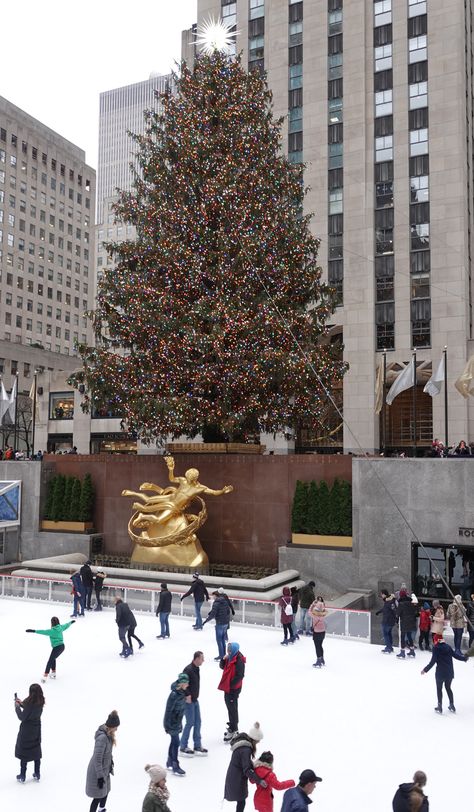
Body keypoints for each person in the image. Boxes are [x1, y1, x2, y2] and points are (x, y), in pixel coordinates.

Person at [224, 721, 267, 812]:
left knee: (241, 801)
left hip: (235, 776)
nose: (257, 744)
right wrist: (259, 780)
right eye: (257, 742)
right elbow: (247, 769)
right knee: (241, 802)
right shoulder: (246, 750)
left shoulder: (244, 746)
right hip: (237, 778)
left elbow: (245, 763)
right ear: (254, 739)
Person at [421, 636, 467, 713]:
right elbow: (456, 656)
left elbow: (432, 662)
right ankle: (452, 705)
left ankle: (440, 706)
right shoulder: (448, 647)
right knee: (448, 688)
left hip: (440, 673)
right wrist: (464, 659)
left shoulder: (436, 648)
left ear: (436, 640)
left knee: (439, 689)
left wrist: (425, 670)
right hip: (449, 672)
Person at [85, 710, 120, 812]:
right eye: (116, 727)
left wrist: (110, 761)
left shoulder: (108, 735)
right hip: (97, 771)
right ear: (111, 726)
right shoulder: (102, 738)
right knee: (97, 796)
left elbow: (107, 752)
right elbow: (97, 758)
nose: (117, 729)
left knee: (106, 791)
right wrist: (100, 777)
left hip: (105, 769)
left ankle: (101, 809)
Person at [26, 615, 75, 681]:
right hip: (62, 646)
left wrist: (33, 631)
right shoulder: (60, 627)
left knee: (50, 661)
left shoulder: (51, 631)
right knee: (53, 658)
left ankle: (45, 676)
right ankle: (53, 673)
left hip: (57, 647)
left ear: (52, 623)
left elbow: (43, 631)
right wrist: (71, 622)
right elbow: (66, 625)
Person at [14, 683, 44, 783]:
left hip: (26, 731)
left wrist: (17, 707)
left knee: (24, 752)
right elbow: (30, 710)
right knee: (36, 751)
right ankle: (37, 773)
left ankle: (22, 775)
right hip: (36, 730)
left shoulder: (30, 703)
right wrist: (21, 703)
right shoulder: (40, 701)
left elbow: (22, 717)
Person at [179, 650, 208, 757]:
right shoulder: (188, 669)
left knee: (198, 722)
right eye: (202, 658)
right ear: (196, 659)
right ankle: (183, 746)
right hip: (188, 701)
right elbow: (182, 682)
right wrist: (187, 695)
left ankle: (197, 745)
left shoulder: (196, 669)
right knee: (190, 722)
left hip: (195, 700)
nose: (203, 660)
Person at [163, 672, 189, 776]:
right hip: (172, 723)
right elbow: (168, 711)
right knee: (176, 743)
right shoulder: (174, 695)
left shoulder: (181, 692)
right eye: (186, 683)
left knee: (174, 742)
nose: (188, 685)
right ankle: (175, 765)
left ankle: (169, 762)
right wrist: (168, 725)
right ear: (182, 683)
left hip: (177, 722)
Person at [219, 641, 246, 741]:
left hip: (233, 689)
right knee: (229, 706)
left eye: (230, 650)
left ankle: (235, 729)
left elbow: (240, 675)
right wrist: (223, 659)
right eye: (228, 649)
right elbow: (222, 667)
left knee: (232, 707)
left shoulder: (239, 660)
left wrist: (230, 685)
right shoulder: (230, 657)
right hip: (228, 687)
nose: (228, 651)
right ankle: (232, 726)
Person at [203, 590, 231, 659]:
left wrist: (205, 621)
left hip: (220, 624)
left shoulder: (216, 603)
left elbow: (213, 614)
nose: (212, 597)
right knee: (222, 640)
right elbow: (228, 611)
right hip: (225, 623)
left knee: (219, 640)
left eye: (213, 596)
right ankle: (223, 654)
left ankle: (221, 656)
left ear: (216, 596)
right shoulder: (225, 601)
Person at [396, 590, 418, 658]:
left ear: (401, 595)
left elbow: (398, 614)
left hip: (404, 622)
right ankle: (412, 651)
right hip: (411, 622)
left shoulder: (401, 604)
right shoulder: (411, 603)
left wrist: (396, 620)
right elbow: (414, 612)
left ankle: (402, 652)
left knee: (402, 637)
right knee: (409, 636)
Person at [309, 595, 327, 667]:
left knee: (317, 646)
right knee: (320, 645)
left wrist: (313, 604)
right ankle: (322, 659)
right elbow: (323, 609)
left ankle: (319, 660)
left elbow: (309, 611)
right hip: (323, 632)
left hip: (317, 633)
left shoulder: (314, 615)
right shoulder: (323, 615)